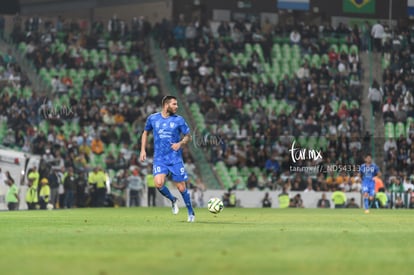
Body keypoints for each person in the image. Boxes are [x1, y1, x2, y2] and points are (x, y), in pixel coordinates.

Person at [140, 95, 195, 222]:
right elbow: (145, 132)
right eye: (174, 104)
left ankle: (190, 212)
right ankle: (173, 199)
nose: (177, 106)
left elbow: (188, 136)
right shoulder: (153, 118)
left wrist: (180, 143)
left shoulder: (179, 120)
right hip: (159, 158)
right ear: (166, 105)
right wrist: (142, 149)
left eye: (177, 104)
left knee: (181, 188)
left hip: (175, 159)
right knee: (158, 183)